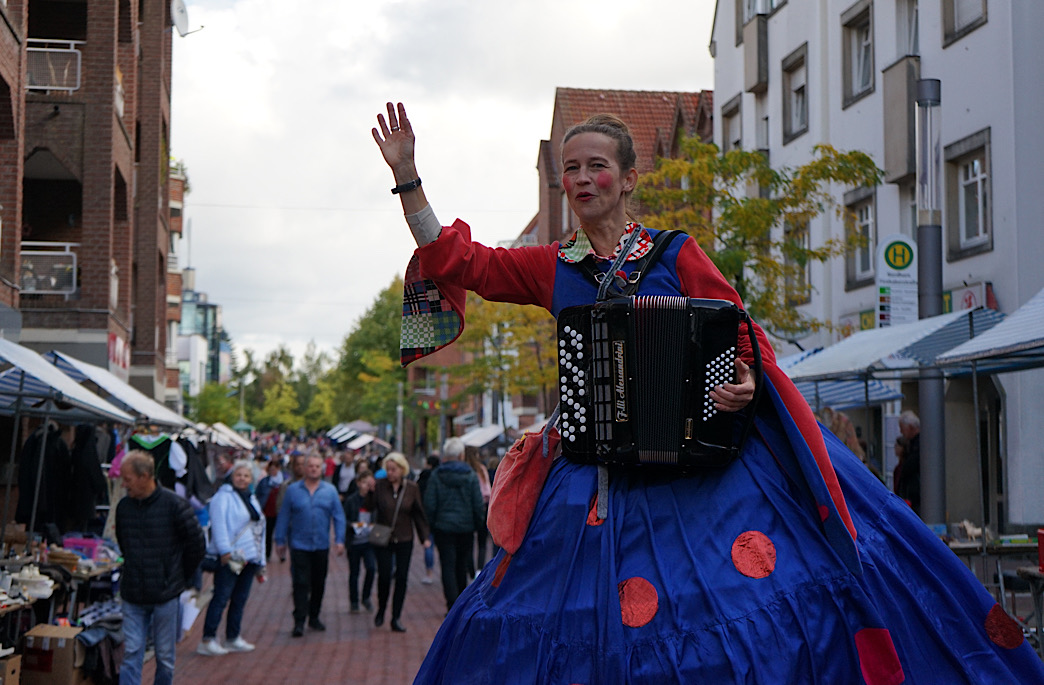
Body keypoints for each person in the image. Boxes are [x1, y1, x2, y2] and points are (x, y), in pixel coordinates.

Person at [372, 102, 1044, 682]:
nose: (580, 178)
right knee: (545, 611)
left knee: (745, 601)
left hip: (697, 468)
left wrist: (743, 383)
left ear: (629, 178)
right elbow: (460, 261)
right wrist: (408, 177)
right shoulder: (553, 266)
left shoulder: (674, 252)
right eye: (570, 168)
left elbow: (740, 331)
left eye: (595, 165)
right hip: (593, 474)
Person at [116, 451, 205, 685]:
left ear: (145, 476)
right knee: (132, 651)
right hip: (133, 592)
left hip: (165, 593)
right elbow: (123, 542)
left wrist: (177, 576)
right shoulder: (124, 507)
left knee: (165, 656)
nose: (124, 485)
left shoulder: (175, 505)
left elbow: (196, 544)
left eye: (128, 479)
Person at [198, 460, 267, 656]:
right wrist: (225, 551)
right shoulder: (223, 497)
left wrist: (260, 558)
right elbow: (219, 525)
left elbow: (258, 528)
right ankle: (208, 638)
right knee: (221, 597)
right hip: (230, 557)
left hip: (249, 557)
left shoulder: (251, 498)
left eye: (246, 476)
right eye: (239, 475)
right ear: (232, 476)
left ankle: (233, 637)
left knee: (239, 599)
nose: (242, 479)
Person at [275, 453, 346, 637]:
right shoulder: (293, 490)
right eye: (310, 466)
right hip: (299, 544)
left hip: (321, 544)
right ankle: (299, 620)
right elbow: (283, 516)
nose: (314, 469)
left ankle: (314, 616)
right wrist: (280, 540)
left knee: (318, 583)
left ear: (322, 469)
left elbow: (338, 516)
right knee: (300, 583)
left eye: (317, 466)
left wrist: (339, 540)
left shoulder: (330, 491)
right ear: (305, 469)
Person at [365, 451, 430, 632]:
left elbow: (418, 513)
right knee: (384, 576)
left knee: (401, 577)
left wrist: (424, 537)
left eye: (394, 469)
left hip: (404, 537)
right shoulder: (379, 486)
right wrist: (369, 492)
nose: (390, 473)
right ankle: (382, 609)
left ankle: (396, 617)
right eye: (388, 469)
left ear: (402, 469)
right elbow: (370, 507)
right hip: (383, 537)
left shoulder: (411, 488)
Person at [424, 437, 484, 611]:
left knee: (447, 565)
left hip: (444, 528)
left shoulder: (436, 475)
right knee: (462, 564)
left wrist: (433, 524)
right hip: (465, 527)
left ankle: (451, 603)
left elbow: (430, 503)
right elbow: (477, 503)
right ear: (460, 455)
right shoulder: (471, 476)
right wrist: (476, 523)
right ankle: (460, 603)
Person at [343, 470, 378, 613]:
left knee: (371, 568)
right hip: (354, 541)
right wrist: (352, 525)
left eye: (369, 483)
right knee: (354, 572)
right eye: (364, 483)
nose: (366, 486)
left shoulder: (374, 500)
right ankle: (354, 601)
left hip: (369, 541)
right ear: (358, 484)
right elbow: (343, 519)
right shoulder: (351, 500)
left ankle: (366, 597)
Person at [463, 445, 492, 576]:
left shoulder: (464, 470)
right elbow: (488, 492)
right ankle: (479, 570)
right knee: (482, 541)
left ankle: (470, 569)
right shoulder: (481, 470)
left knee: (468, 542)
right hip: (483, 508)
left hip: (467, 509)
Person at [416, 455, 440, 584]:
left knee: (428, 544)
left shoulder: (423, 478)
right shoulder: (440, 477)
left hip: (425, 515)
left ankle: (429, 573)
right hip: (440, 516)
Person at [254, 459, 284, 558]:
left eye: (274, 469)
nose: (272, 472)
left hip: (280, 512)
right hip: (267, 511)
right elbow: (257, 494)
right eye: (270, 469)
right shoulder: (264, 481)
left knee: (281, 534)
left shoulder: (283, 482)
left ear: (278, 469)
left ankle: (281, 554)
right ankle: (267, 553)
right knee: (268, 534)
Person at [897, 410, 922, 513]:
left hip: (916, 494)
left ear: (911, 427)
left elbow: (910, 466)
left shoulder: (919, 444)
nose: (901, 432)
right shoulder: (912, 444)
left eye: (902, 429)